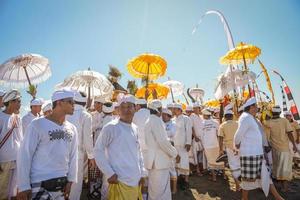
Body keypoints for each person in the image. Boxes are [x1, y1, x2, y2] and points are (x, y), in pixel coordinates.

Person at [17, 89, 78, 200]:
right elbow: (25, 155)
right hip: (39, 183)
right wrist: (23, 185)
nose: (74, 104)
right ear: (59, 102)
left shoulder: (72, 128)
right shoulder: (37, 125)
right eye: (70, 101)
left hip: (61, 185)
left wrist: (71, 180)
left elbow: (74, 156)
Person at [94, 95, 145, 200]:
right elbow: (98, 150)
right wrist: (110, 173)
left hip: (135, 180)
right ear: (118, 110)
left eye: (129, 106)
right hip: (118, 180)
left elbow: (138, 153)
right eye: (123, 107)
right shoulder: (111, 127)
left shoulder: (135, 128)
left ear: (135, 109)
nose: (126, 110)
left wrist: (142, 173)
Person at [234, 97, 284, 200]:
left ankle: (278, 197)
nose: (257, 108)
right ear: (251, 107)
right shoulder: (246, 117)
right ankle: (244, 198)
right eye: (256, 106)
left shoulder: (251, 118)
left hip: (257, 154)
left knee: (265, 176)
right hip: (249, 154)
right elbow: (237, 135)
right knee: (248, 180)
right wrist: (237, 145)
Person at [145, 100, 179, 200]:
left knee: (154, 191)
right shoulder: (156, 120)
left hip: (154, 161)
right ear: (158, 109)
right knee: (160, 192)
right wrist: (175, 153)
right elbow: (162, 141)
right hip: (159, 162)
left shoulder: (149, 120)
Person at [67, 91, 95, 200]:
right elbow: (88, 138)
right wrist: (91, 156)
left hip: (63, 153)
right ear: (85, 103)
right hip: (77, 154)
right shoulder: (86, 115)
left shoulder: (66, 113)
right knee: (75, 186)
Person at [264, 105, 297, 192]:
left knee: (277, 167)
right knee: (285, 168)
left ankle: (280, 185)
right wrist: (294, 145)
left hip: (274, 149)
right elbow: (289, 133)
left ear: (273, 112)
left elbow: (265, 123)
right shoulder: (284, 120)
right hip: (284, 149)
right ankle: (285, 188)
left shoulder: (268, 122)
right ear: (279, 112)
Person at [0, 89, 23, 199]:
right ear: (9, 102)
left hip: (17, 159)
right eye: (17, 101)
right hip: (3, 161)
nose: (20, 104)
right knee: (2, 191)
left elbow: (21, 139)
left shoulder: (17, 118)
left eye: (20, 101)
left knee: (13, 192)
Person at [218, 109, 240, 190]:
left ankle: (238, 185)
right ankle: (243, 184)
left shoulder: (222, 125)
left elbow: (220, 138)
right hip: (239, 147)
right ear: (232, 116)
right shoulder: (238, 123)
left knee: (233, 166)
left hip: (230, 148)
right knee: (240, 165)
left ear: (225, 117)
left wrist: (220, 149)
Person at [173, 103, 192, 190]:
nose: (174, 110)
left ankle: (186, 181)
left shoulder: (186, 119)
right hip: (175, 145)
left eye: (175, 109)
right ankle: (180, 179)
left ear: (180, 110)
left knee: (184, 162)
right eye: (173, 109)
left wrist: (188, 142)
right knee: (177, 162)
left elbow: (189, 131)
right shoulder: (173, 119)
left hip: (183, 145)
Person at [201, 108, 224, 182]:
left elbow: (201, 136)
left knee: (210, 161)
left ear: (205, 115)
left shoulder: (202, 123)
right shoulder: (215, 122)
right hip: (216, 144)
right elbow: (219, 132)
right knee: (219, 160)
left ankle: (214, 177)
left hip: (207, 145)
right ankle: (224, 176)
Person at [162, 108, 177, 194]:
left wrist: (163, 135)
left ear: (168, 116)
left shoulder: (173, 124)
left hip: (170, 147)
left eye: (164, 115)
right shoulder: (161, 123)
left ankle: (174, 189)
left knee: (172, 169)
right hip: (163, 149)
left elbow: (172, 134)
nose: (162, 116)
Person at [189, 102, 204, 176]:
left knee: (201, 154)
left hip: (202, 138)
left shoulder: (201, 117)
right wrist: (195, 136)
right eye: (194, 108)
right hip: (196, 138)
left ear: (199, 109)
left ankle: (201, 168)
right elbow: (191, 127)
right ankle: (197, 170)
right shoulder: (192, 116)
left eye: (197, 108)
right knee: (195, 154)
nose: (195, 110)